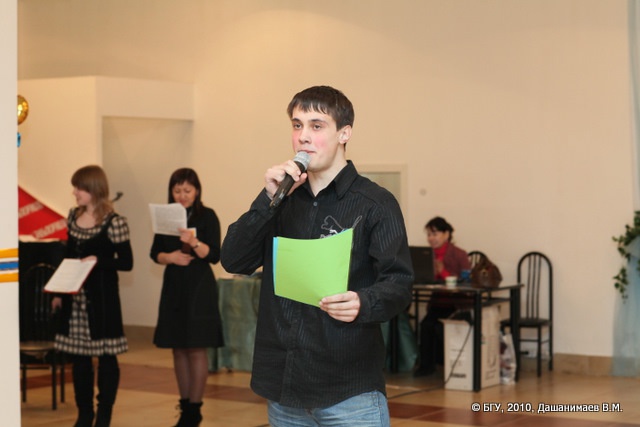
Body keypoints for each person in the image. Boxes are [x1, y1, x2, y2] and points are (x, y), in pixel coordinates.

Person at [220, 85, 414, 427]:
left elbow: (399, 283)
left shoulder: (375, 204)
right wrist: (266, 200)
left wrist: (363, 302)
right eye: (297, 126)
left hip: (348, 391)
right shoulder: (280, 200)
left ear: (344, 133)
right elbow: (234, 261)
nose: (304, 137)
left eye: (317, 125)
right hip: (285, 389)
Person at [52, 165, 133, 427]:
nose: (74, 192)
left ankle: (104, 414)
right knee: (80, 361)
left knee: (107, 359)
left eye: (79, 188)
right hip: (74, 302)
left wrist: (98, 260)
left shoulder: (114, 222)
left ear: (94, 189)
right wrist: (58, 292)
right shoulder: (72, 217)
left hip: (103, 302)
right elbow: (68, 257)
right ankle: (84, 414)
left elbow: (126, 262)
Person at [150, 168, 224, 427]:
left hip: (198, 287)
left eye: (187, 190)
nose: (182, 195)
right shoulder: (166, 216)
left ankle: (195, 409)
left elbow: (214, 255)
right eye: (177, 190)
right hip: (174, 285)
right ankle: (184, 408)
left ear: (197, 191)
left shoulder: (207, 215)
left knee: (195, 346)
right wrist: (170, 257)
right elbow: (155, 253)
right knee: (177, 347)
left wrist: (193, 242)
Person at [414, 216, 471, 377]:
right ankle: (426, 367)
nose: (431, 238)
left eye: (435, 234)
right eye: (428, 234)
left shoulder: (459, 254)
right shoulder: (426, 255)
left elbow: (466, 283)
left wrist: (443, 272)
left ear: (446, 234)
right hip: (437, 303)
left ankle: (449, 365)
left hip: (456, 305)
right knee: (426, 326)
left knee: (439, 327)